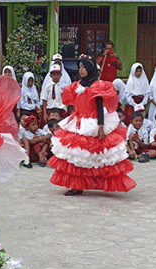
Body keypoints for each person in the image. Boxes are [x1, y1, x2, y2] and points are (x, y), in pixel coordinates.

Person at [48, 56, 136, 195]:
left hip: (92, 122)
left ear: (90, 68)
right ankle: (76, 186)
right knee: (77, 156)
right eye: (80, 67)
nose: (81, 70)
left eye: (84, 67)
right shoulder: (76, 85)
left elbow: (100, 107)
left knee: (96, 157)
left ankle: (98, 182)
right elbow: (73, 104)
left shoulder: (97, 85)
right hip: (78, 122)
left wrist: (101, 126)